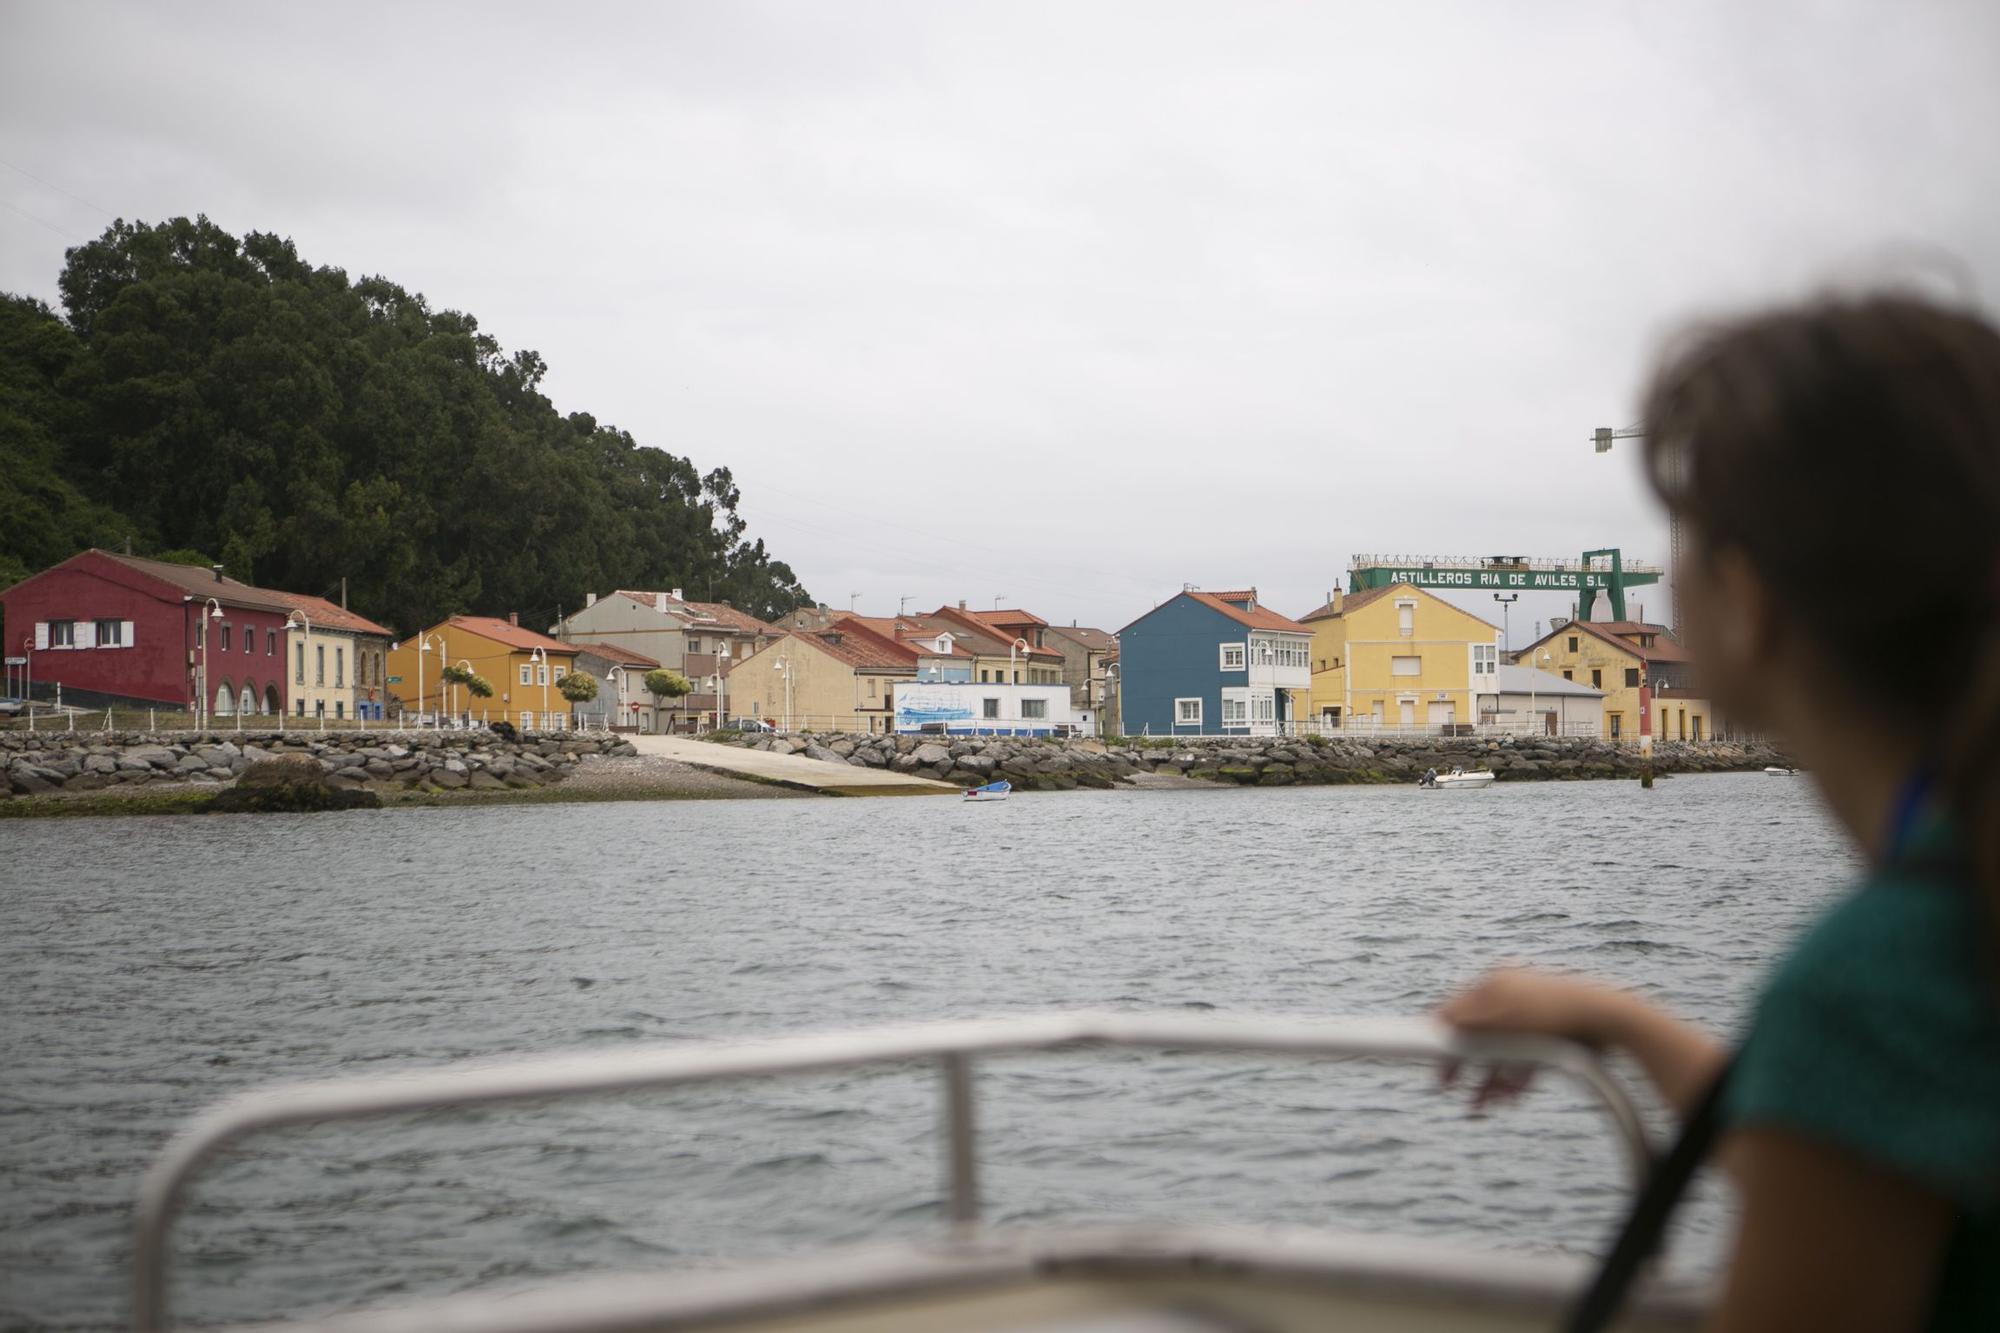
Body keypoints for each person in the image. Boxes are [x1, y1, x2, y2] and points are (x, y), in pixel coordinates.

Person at [1440, 293, 2000, 1331]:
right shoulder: (1952, 907)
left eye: (1680, 536)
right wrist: (1618, 1020)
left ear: (1744, 603)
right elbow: (1848, 1151)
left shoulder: (1883, 976)